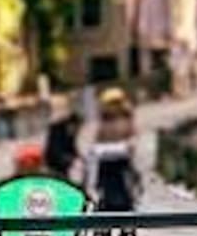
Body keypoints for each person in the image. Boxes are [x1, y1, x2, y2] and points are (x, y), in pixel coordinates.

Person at [91, 87, 141, 218]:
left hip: (122, 159)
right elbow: (98, 139)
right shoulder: (104, 120)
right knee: (106, 191)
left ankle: (126, 213)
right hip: (106, 160)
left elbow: (133, 135)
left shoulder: (127, 117)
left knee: (125, 188)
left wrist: (130, 144)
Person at [43, 104, 84, 185]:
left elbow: (72, 147)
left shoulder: (71, 133)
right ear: (71, 124)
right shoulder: (57, 130)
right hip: (53, 164)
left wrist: (79, 157)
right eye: (76, 127)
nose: (77, 130)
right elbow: (54, 151)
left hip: (64, 165)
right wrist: (69, 159)